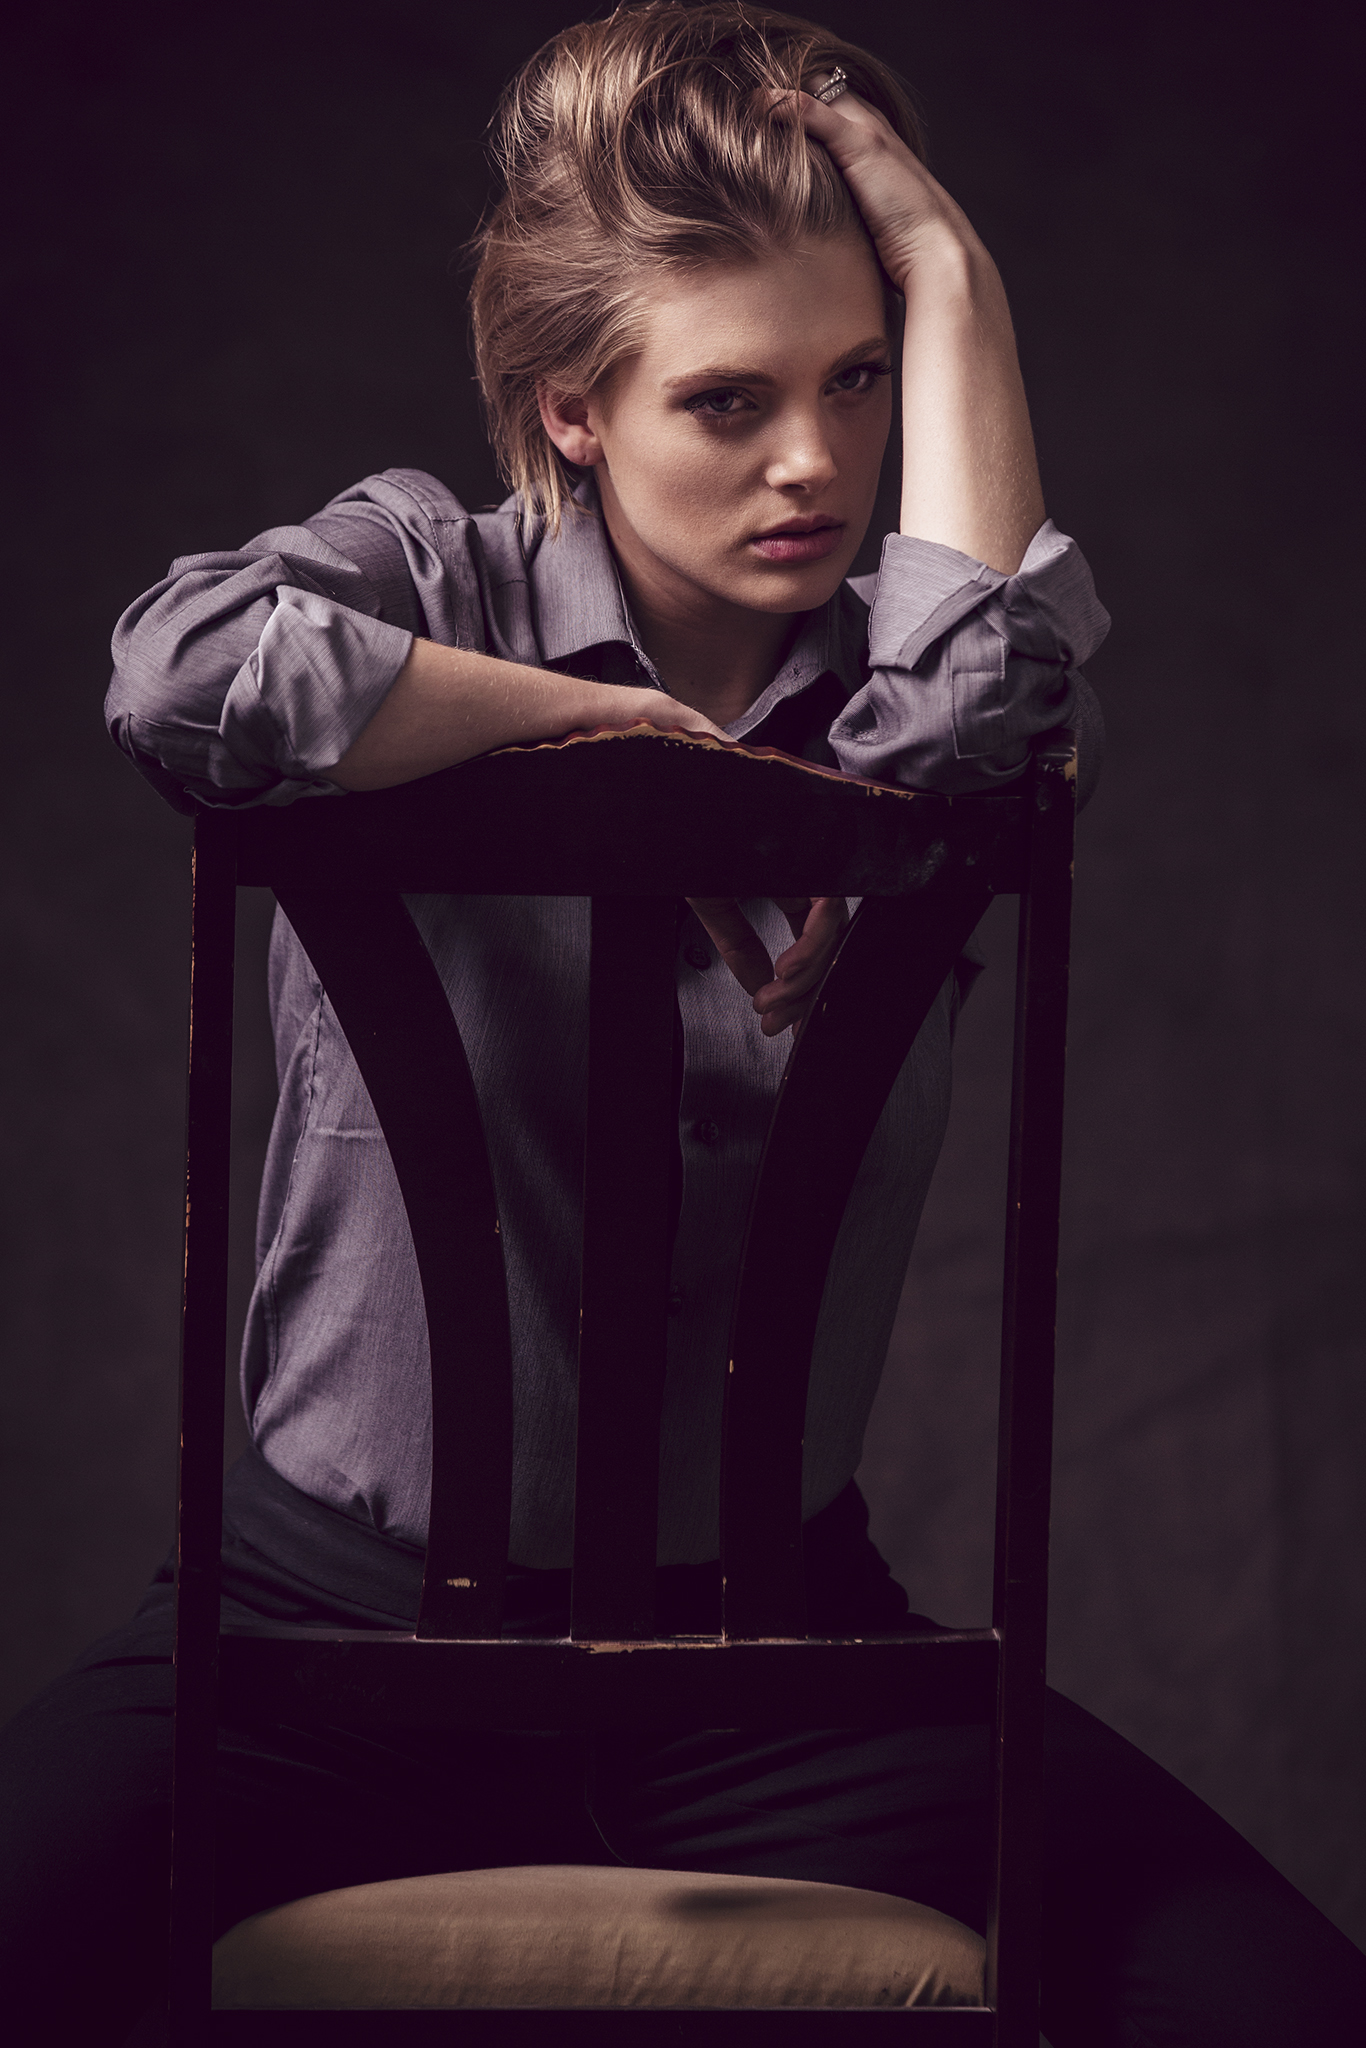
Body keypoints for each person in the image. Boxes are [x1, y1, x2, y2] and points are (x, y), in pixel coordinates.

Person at [2, 6, 1360, 2042]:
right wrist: (607, 735)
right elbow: (180, 674)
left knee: (1277, 1997)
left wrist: (952, 264)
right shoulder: (427, 575)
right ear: (571, 410)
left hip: (781, 1668)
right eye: (727, 400)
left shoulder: (911, 695)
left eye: (857, 379)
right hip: (314, 1654)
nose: (812, 461)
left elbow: (981, 720)